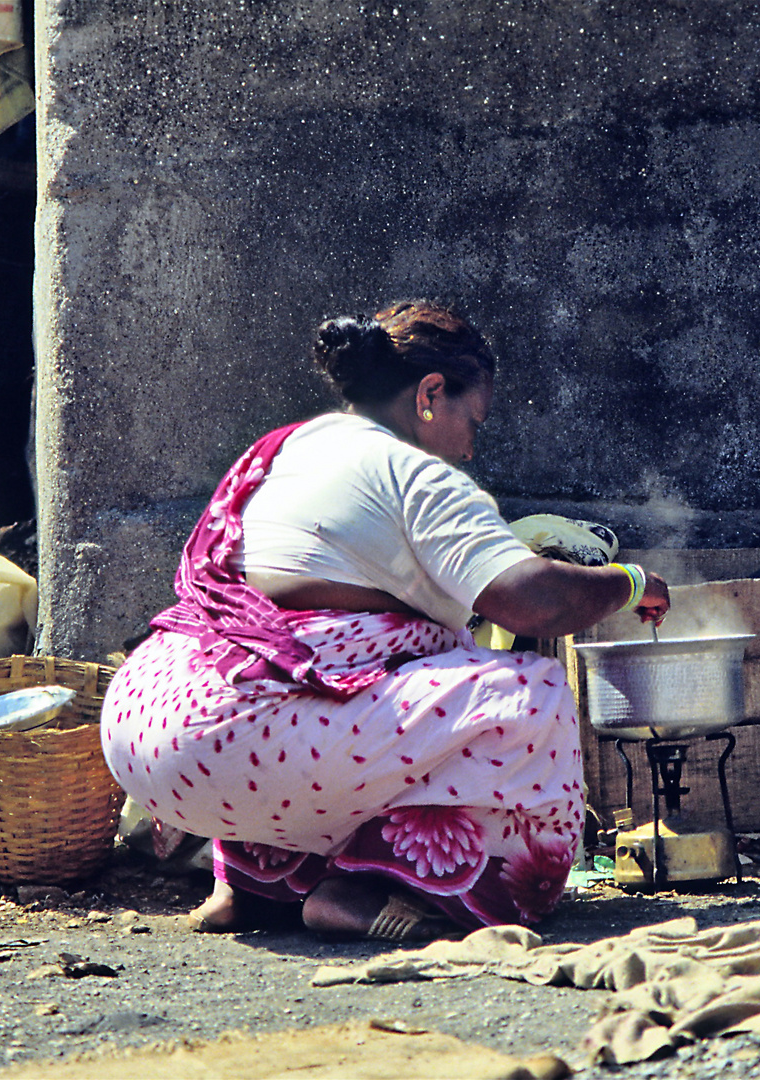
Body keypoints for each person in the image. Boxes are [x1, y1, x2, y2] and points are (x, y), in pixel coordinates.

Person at [100, 301, 670, 941]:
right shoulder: (416, 474)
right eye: (472, 421)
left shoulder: (286, 448)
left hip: (145, 726)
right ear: (431, 393)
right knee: (531, 695)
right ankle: (381, 890)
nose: (470, 447)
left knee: (352, 678)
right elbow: (530, 602)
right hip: (238, 733)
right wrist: (632, 582)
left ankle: (251, 888)